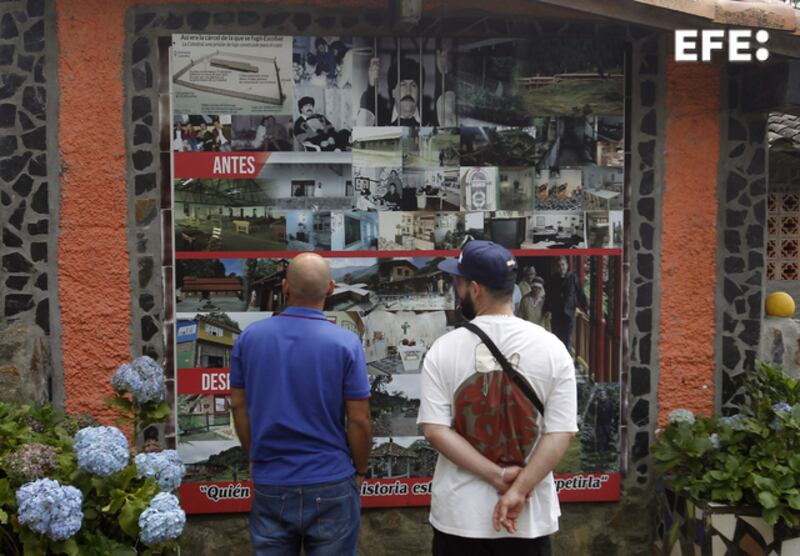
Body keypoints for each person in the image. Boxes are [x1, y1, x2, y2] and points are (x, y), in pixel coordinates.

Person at [418, 240, 578, 555]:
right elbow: (561, 432)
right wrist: (518, 489)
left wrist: (499, 477)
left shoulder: (444, 349)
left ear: (475, 289)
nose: (456, 289)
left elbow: (435, 430)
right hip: (527, 517)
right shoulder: (552, 348)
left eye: (458, 282)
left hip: (460, 516)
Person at [230, 253, 372, 556]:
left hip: (271, 479)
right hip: (331, 479)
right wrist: (360, 469)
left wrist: (253, 455)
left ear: (285, 286)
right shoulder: (346, 343)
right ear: (331, 288)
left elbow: (238, 407)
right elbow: (359, 420)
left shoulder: (250, 338)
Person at [356, 49, 453, 127]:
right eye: (403, 85)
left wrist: (443, 76)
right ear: (393, 92)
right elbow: (364, 125)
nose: (408, 90)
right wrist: (372, 86)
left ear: (420, 92)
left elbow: (447, 117)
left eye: (413, 85)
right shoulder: (380, 120)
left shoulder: (432, 120)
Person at [543, 256, 588, 355]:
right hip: (556, 313)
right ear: (556, 267)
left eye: (563, 265)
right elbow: (548, 296)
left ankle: (567, 359)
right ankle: (558, 358)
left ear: (567, 266)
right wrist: (547, 310)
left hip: (569, 313)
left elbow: (580, 294)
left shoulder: (573, 278)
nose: (561, 267)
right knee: (557, 338)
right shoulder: (552, 279)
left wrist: (586, 309)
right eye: (559, 266)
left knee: (567, 338)